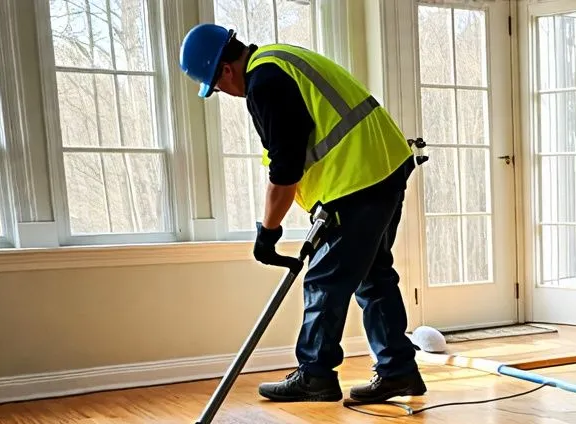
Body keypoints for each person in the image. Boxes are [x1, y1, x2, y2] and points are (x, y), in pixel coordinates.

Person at [177, 23, 426, 404]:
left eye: (217, 86)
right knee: (373, 275)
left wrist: (268, 232)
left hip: (356, 181)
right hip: (383, 168)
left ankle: (315, 375)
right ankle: (398, 372)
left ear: (225, 69)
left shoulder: (264, 82)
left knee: (324, 281)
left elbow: (286, 170)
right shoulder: (279, 59)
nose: (224, 93)